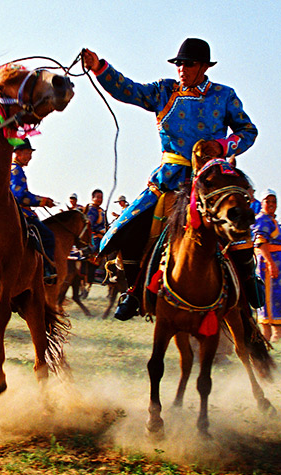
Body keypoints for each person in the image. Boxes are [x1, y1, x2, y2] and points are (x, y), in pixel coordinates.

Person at [82, 38, 259, 319]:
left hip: (210, 179)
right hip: (170, 178)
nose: (182, 68)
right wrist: (99, 67)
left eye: (188, 64)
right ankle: (134, 292)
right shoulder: (164, 91)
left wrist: (224, 147)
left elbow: (249, 131)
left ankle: (250, 286)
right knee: (129, 228)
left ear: (203, 66)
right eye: (179, 63)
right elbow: (128, 90)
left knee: (237, 226)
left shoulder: (225, 95)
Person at [9, 139, 57, 283]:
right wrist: (43, 201)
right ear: (17, 153)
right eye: (27, 153)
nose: (30, 157)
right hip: (20, 213)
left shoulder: (9, 168)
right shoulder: (16, 170)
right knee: (48, 237)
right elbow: (20, 196)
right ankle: (46, 271)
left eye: (30, 153)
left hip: (13, 211)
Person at [252, 189, 281, 342]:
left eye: (273, 202)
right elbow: (261, 242)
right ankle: (269, 334)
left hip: (278, 265)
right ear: (262, 203)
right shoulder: (262, 220)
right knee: (270, 297)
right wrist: (271, 263)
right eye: (267, 201)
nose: (271, 204)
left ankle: (278, 334)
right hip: (268, 265)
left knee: (280, 295)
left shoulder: (272, 220)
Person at [83, 189, 108, 285]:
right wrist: (101, 231)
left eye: (101, 197)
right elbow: (90, 225)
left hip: (102, 235)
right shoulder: (91, 210)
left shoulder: (101, 211)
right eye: (97, 197)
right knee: (98, 249)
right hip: (93, 236)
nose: (99, 199)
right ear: (92, 198)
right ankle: (97, 273)